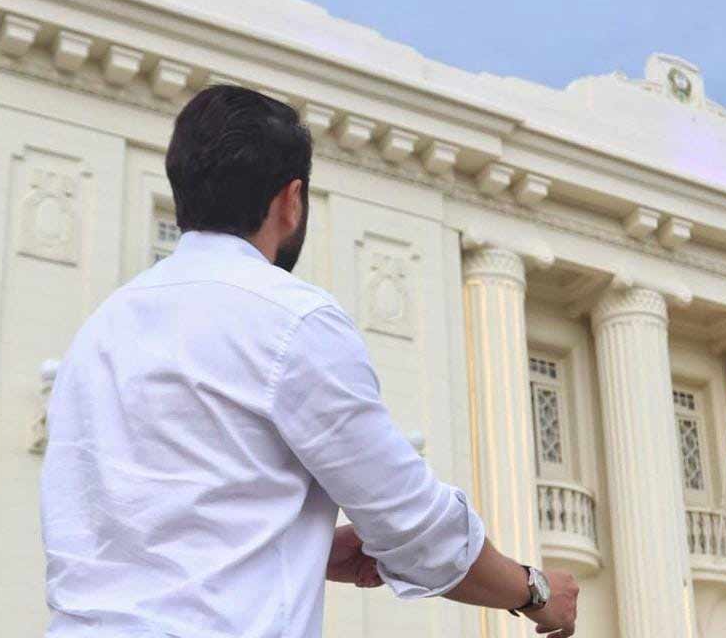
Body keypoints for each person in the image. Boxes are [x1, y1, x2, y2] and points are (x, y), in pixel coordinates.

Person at [39, 85, 579, 638]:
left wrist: (303, 548)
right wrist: (534, 591)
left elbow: (122, 522)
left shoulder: (102, 328)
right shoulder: (290, 318)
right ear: (290, 200)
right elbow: (416, 525)